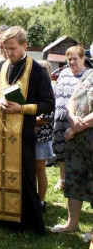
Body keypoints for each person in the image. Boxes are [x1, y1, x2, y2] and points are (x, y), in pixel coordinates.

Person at [0, 26, 54, 235]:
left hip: (23, 134)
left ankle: (21, 223)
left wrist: (22, 108)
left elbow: (48, 103)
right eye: (5, 48)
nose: (8, 53)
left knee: (23, 176)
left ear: (24, 45)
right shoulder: (0, 66)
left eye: (12, 48)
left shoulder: (37, 71)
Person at [50, 55, 93, 240]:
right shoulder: (88, 75)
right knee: (74, 178)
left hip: (86, 135)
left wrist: (78, 125)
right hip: (77, 140)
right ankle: (71, 223)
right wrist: (72, 119)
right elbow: (73, 99)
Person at [52, 46, 89, 191]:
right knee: (61, 151)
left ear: (83, 59)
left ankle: (80, 184)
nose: (72, 62)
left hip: (79, 122)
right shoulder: (64, 73)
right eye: (69, 59)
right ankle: (62, 180)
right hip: (60, 119)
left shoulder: (88, 76)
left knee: (79, 153)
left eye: (75, 59)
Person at [34, 60, 55, 212]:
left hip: (41, 137)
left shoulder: (48, 92)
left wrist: (29, 120)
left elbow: (47, 116)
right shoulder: (34, 89)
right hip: (30, 135)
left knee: (40, 170)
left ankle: (41, 201)